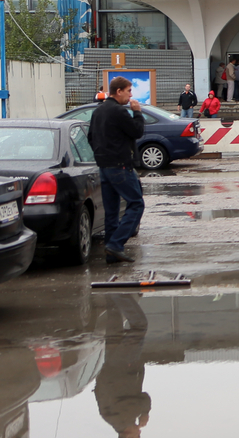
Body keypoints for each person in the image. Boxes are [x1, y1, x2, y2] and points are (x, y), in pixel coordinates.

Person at [87, 77, 145, 264]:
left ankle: (112, 254)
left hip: (104, 166)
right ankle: (116, 244)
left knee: (111, 211)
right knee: (136, 204)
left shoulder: (98, 111)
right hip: (120, 165)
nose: (131, 95)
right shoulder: (119, 111)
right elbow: (137, 131)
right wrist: (137, 113)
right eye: (129, 91)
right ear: (118, 91)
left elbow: (90, 137)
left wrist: (101, 154)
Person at [95, 293, 151, 438]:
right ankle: (108, 287)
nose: (139, 432)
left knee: (140, 326)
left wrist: (144, 413)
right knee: (114, 318)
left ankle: (117, 290)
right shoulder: (111, 418)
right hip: (111, 365)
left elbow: (143, 399)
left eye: (136, 436)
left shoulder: (123, 418)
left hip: (123, 365)